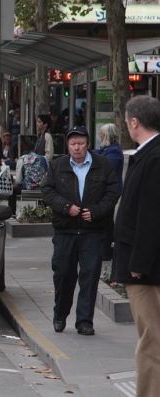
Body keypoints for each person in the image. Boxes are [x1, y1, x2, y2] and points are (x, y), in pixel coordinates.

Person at [43, 126, 119, 336]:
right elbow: (48, 191)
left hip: (92, 232)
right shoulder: (57, 165)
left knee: (90, 276)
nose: (77, 148)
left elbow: (113, 192)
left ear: (88, 144)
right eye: (73, 144)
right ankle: (60, 314)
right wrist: (66, 207)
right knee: (64, 275)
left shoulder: (102, 165)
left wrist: (96, 211)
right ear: (68, 146)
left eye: (81, 143)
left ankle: (85, 321)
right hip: (66, 231)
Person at [111, 95, 160, 396]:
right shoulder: (149, 154)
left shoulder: (153, 157)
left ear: (134, 122)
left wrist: (138, 265)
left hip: (148, 269)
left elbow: (151, 215)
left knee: (151, 340)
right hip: (147, 264)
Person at [94, 123, 124, 261]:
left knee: (106, 221)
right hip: (105, 190)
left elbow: (105, 167)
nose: (99, 136)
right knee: (105, 220)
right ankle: (105, 249)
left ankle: (106, 251)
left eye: (101, 133)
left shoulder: (114, 152)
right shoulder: (106, 150)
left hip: (111, 191)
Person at [7, 146, 48, 215]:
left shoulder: (22, 159)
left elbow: (19, 180)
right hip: (42, 189)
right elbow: (47, 175)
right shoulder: (44, 158)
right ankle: (45, 211)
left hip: (27, 188)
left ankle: (12, 213)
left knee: (12, 191)